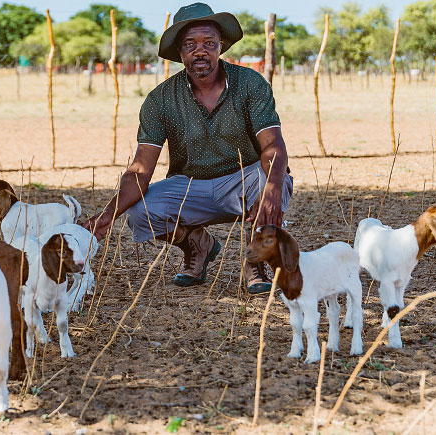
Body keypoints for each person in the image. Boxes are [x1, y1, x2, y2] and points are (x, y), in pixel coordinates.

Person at [84, 2, 293, 294]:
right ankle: (198, 246)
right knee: (139, 212)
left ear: (221, 46)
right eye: (190, 44)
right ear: (180, 53)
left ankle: (254, 261)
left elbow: (273, 145)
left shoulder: (250, 84)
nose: (200, 51)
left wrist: (271, 188)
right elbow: (141, 169)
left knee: (273, 179)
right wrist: (107, 215)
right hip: (191, 187)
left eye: (209, 42)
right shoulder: (160, 99)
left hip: (243, 180)